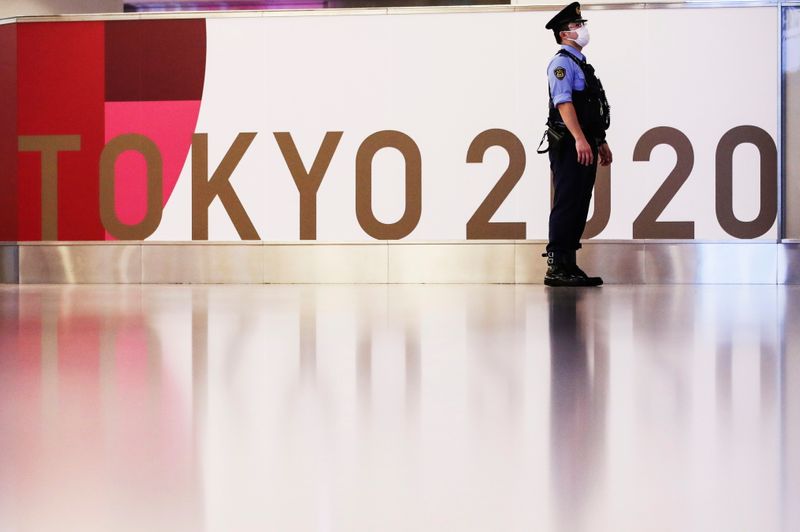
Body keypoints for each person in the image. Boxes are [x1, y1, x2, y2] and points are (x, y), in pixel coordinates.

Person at [542, 2, 612, 287]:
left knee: (581, 201)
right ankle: (556, 266)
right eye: (576, 26)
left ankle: (569, 264)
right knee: (568, 201)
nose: (582, 29)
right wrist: (580, 139)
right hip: (570, 145)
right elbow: (564, 103)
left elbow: (590, 108)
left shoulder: (581, 64)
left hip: (585, 143)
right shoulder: (561, 64)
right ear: (564, 34)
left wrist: (600, 141)